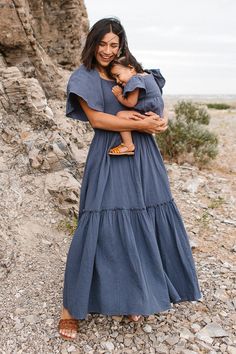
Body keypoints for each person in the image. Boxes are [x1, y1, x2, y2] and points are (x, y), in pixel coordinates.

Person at [58, 17, 201, 341]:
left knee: (143, 222)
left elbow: (154, 100)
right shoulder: (83, 77)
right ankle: (71, 307)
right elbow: (97, 118)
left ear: (121, 46)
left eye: (114, 44)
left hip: (144, 156)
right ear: (92, 42)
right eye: (102, 43)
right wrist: (141, 126)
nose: (108, 51)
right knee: (98, 223)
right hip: (110, 154)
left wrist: (160, 120)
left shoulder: (129, 69)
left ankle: (133, 295)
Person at [107, 55, 165, 156]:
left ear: (131, 68)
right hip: (155, 112)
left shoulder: (135, 80)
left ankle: (128, 145)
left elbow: (130, 103)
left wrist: (119, 95)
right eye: (114, 78)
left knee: (121, 115)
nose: (117, 81)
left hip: (148, 112)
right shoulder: (148, 75)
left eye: (117, 75)